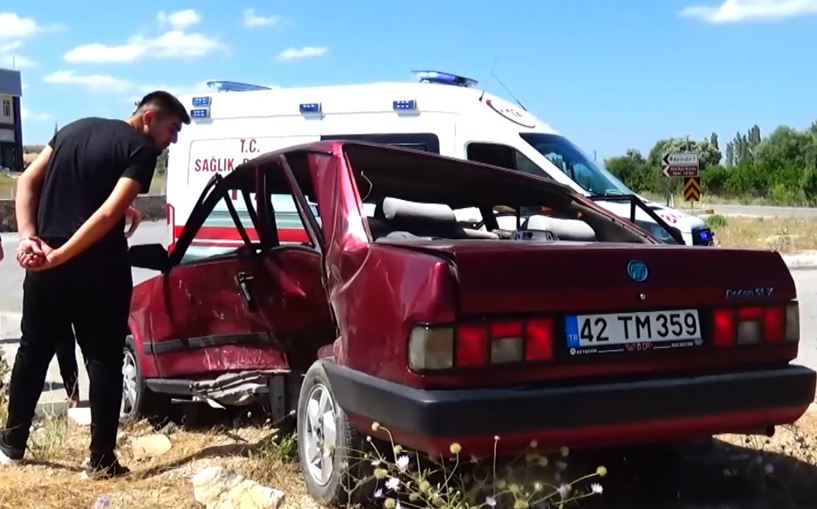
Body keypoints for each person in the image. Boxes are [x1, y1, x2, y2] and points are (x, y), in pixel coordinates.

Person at [0, 91, 189, 477]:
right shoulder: (140, 149)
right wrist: (61, 255)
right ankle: (101, 459)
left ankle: (10, 447)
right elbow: (106, 215)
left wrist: (29, 239)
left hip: (46, 263)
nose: (172, 139)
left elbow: (28, 181)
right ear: (149, 118)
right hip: (98, 270)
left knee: (33, 352)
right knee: (103, 360)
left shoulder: (73, 130)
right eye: (171, 129)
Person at [54, 203, 143, 409]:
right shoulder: (102, 202)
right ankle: (91, 396)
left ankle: (74, 394)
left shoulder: (61, 206)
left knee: (65, 340)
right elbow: (135, 214)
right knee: (91, 345)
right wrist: (128, 233)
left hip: (65, 273)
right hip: (93, 272)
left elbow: (134, 214)